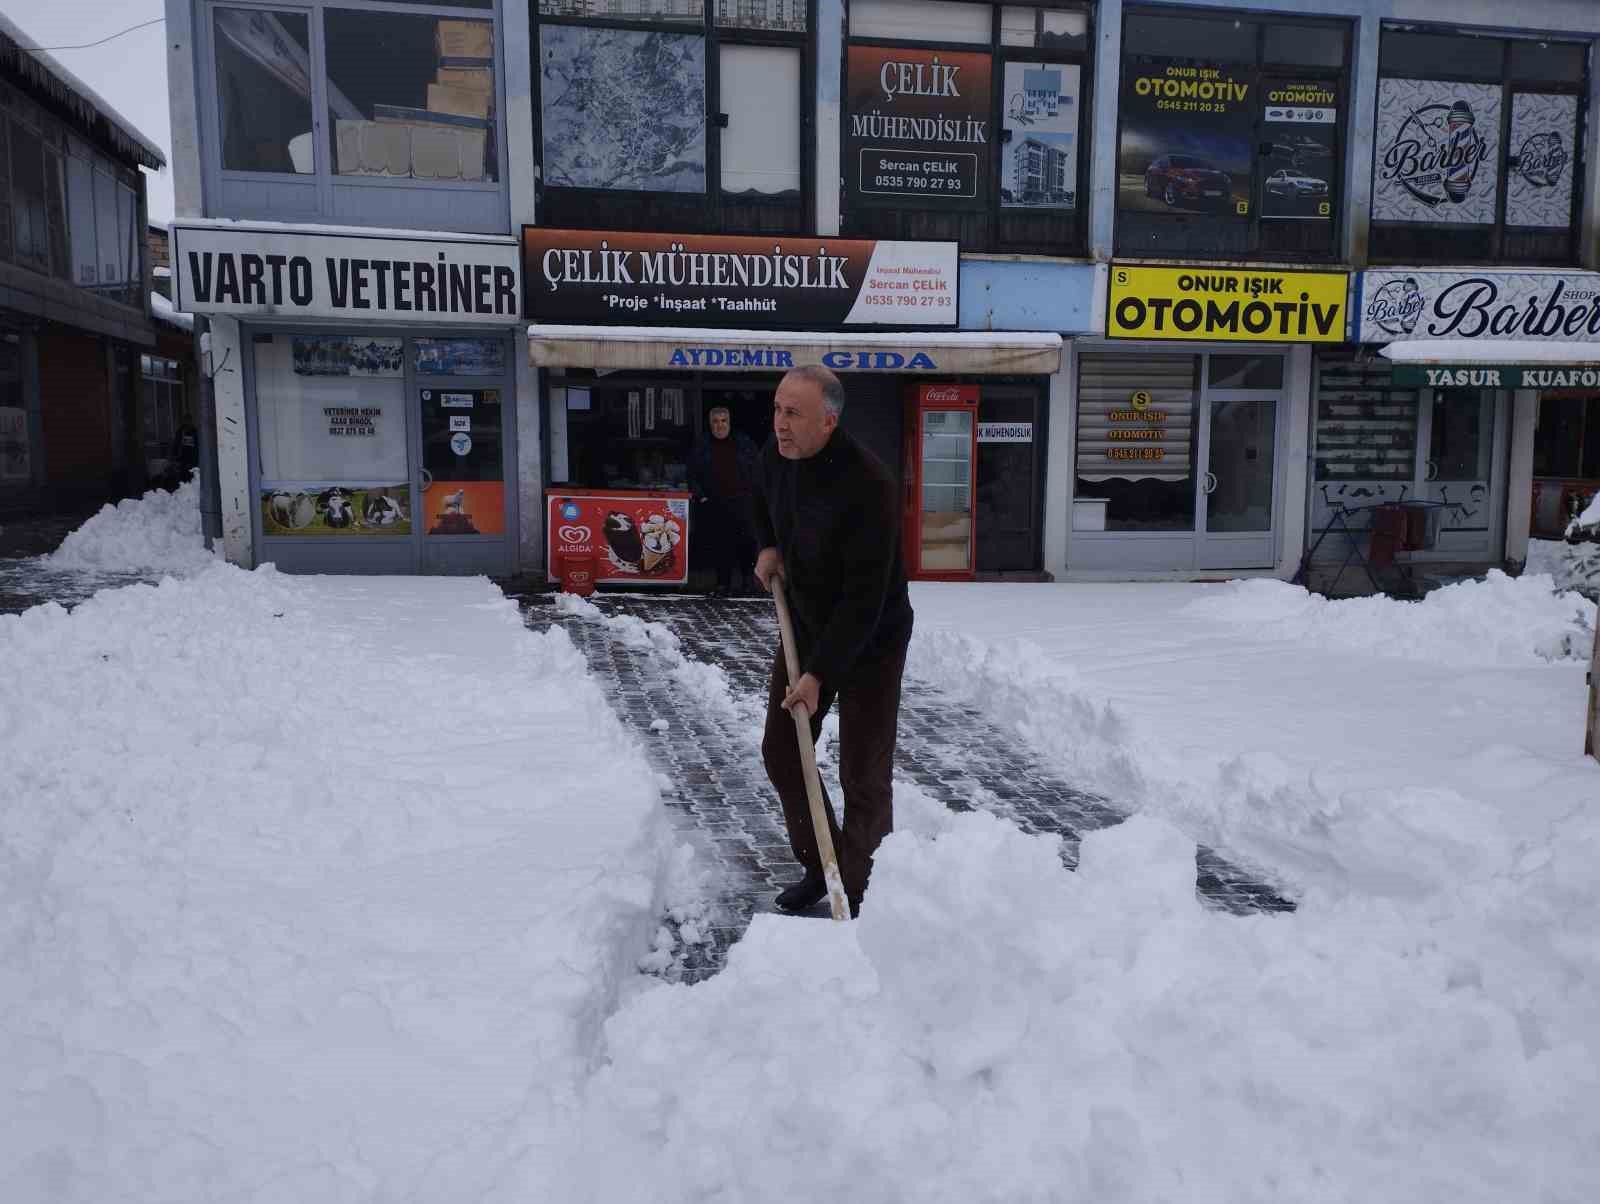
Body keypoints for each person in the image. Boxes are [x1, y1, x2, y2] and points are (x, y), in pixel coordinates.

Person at [751, 365, 914, 916]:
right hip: (807, 619)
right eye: (777, 409)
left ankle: (864, 891)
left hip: (871, 637)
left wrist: (819, 676)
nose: (780, 423)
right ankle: (823, 866)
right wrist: (767, 546)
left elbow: (864, 599)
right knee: (783, 749)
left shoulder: (870, 485)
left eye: (793, 413)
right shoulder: (775, 457)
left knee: (863, 771)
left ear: (829, 420)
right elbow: (760, 500)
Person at [689, 406, 759, 596]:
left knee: (747, 543)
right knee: (721, 545)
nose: (719, 425)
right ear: (710, 424)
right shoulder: (702, 445)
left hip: (742, 501)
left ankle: (748, 583)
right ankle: (723, 585)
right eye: (715, 421)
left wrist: (754, 494)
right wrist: (702, 496)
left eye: (723, 420)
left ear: (729, 422)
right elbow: (692, 474)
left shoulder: (744, 443)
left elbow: (758, 468)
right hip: (715, 502)